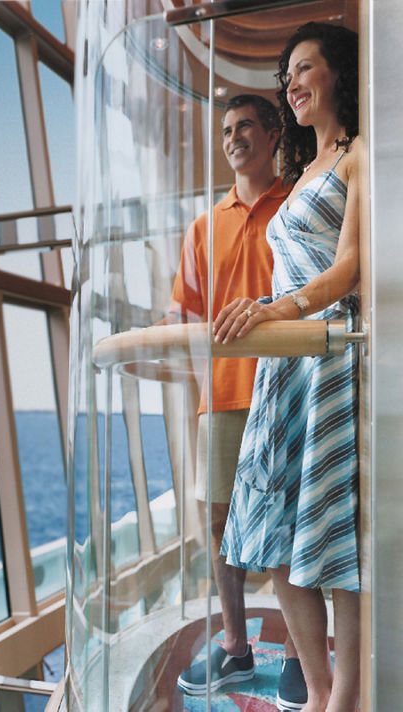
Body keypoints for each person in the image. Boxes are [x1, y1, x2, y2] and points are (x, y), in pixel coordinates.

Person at [213, 21, 363, 712]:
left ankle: (345, 699)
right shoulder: (302, 171)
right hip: (284, 363)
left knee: (333, 539)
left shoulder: (362, 158)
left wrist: (278, 310)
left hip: (328, 357)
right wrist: (269, 316)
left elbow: (354, 268)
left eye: (306, 68)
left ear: (338, 73)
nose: (294, 84)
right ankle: (322, 687)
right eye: (288, 74)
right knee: (272, 531)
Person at [167, 94, 301, 700]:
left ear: (274, 135)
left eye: (245, 125)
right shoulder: (204, 226)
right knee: (222, 522)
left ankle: (299, 654)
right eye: (226, 130)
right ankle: (236, 648)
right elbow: (183, 313)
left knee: (291, 523)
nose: (233, 137)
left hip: (287, 388)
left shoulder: (296, 205)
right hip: (220, 397)